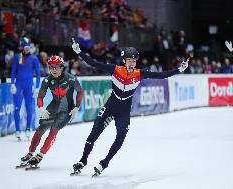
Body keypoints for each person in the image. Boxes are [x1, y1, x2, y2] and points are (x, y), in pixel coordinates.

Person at [70, 38, 188, 176]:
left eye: (134, 61)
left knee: (120, 137)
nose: (132, 63)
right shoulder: (115, 69)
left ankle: (104, 163)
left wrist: (179, 69)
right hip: (110, 106)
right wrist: (79, 51)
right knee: (93, 134)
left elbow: (162, 75)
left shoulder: (140, 73)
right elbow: (93, 63)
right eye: (129, 60)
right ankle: (83, 160)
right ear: (124, 61)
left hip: (124, 111)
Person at [17, 55, 83, 168]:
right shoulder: (47, 79)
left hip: (66, 110)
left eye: (56, 67)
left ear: (62, 67)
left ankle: (40, 155)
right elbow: (40, 96)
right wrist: (41, 107)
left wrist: (76, 107)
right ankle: (30, 153)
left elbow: (80, 92)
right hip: (53, 107)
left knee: (54, 130)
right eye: (51, 67)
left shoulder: (71, 78)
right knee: (40, 130)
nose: (54, 70)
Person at [10, 37, 41, 141]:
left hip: (29, 86)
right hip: (18, 85)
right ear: (22, 47)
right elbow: (13, 71)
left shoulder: (34, 58)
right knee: (17, 108)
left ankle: (28, 128)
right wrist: (12, 84)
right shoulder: (17, 57)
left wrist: (37, 87)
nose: (27, 49)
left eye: (29, 47)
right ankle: (17, 130)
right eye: (25, 47)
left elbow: (38, 73)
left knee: (29, 108)